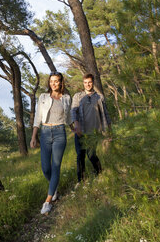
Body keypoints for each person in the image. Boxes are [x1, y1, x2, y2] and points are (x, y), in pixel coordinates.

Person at [30, 71, 73, 215]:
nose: (53, 83)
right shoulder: (43, 97)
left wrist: (75, 129)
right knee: (45, 168)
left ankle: (47, 201)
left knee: (56, 167)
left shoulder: (66, 98)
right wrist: (34, 136)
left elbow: (68, 118)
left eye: (56, 81)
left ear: (61, 82)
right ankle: (53, 187)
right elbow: (38, 117)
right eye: (51, 81)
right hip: (45, 132)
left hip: (60, 133)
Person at [71, 73, 111, 183]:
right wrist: (76, 125)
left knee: (91, 155)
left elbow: (105, 114)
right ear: (83, 83)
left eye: (89, 82)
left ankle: (99, 172)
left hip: (93, 132)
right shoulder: (78, 96)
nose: (87, 84)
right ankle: (81, 180)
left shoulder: (99, 97)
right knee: (80, 155)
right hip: (80, 131)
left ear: (93, 82)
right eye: (85, 83)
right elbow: (74, 111)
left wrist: (109, 130)